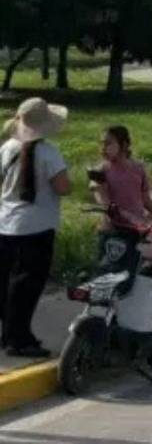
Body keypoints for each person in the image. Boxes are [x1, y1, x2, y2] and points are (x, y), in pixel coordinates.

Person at [0, 99, 71, 358]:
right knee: (27, 287)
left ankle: (8, 333)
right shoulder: (49, 153)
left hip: (6, 224)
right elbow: (63, 187)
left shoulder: (6, 148)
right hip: (37, 228)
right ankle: (18, 339)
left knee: (6, 283)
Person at [90, 125, 152, 238]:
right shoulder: (99, 172)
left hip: (137, 229)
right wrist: (128, 217)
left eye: (108, 143)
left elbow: (145, 200)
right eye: (101, 143)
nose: (103, 148)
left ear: (124, 145)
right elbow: (104, 203)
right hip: (112, 230)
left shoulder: (138, 169)